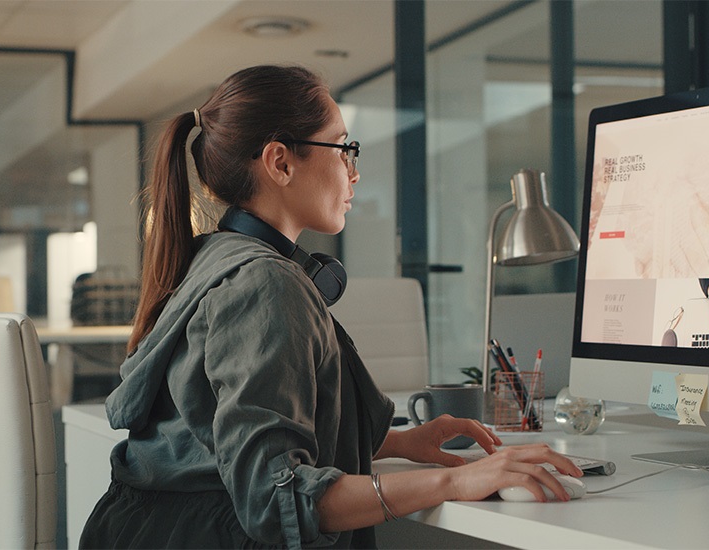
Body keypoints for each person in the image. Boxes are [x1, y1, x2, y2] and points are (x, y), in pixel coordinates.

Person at [77, 65, 583, 549]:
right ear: (280, 162)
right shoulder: (263, 283)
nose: (353, 172)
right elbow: (276, 499)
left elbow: (224, 438)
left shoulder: (218, 257)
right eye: (344, 149)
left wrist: (401, 444)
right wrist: (455, 482)